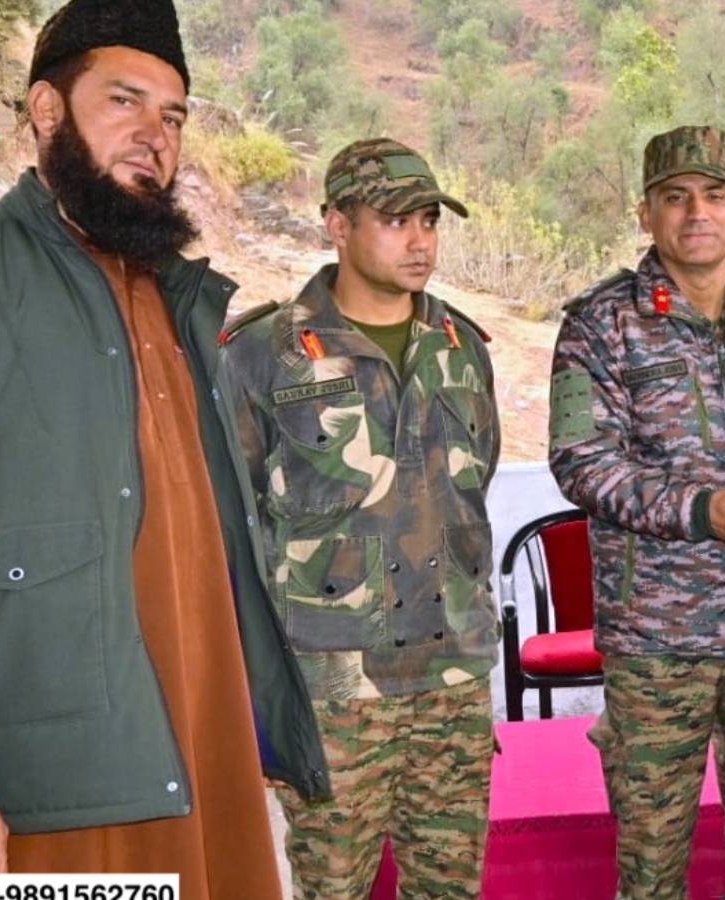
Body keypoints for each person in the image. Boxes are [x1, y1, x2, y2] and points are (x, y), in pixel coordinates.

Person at [0, 2, 326, 898]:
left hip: (205, 772)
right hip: (44, 801)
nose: (154, 136)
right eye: (124, 102)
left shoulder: (178, 298)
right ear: (48, 112)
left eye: (173, 116)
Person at [217, 137, 499, 899]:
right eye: (394, 219)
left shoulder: (462, 347)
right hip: (334, 685)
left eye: (431, 220)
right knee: (326, 889)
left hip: (452, 673)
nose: (420, 240)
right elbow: (227, 522)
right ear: (337, 225)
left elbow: (472, 489)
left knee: (451, 887)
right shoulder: (264, 353)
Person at [547, 125, 725, 896]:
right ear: (645, 213)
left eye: (714, 194)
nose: (697, 212)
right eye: (675, 197)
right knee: (652, 859)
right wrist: (703, 511)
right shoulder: (601, 324)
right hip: (659, 639)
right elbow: (582, 461)